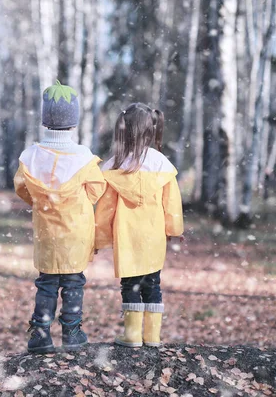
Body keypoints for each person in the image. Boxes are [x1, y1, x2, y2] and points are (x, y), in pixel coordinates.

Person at [14, 80, 106, 354]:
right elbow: (97, 187)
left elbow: (22, 188)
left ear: (45, 121)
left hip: (46, 232)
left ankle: (40, 334)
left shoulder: (30, 156)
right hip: (75, 231)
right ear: (73, 123)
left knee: (46, 283)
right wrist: (76, 204)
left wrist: (43, 203)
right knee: (73, 281)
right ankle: (72, 332)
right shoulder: (83, 156)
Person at [95, 103, 184, 348]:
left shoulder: (115, 166)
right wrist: (174, 230)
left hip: (127, 238)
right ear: (150, 130)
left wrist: (99, 239)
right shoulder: (160, 164)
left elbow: (105, 210)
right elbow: (171, 202)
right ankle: (152, 336)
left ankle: (132, 335)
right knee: (153, 283)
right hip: (153, 237)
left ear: (122, 131)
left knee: (130, 285)